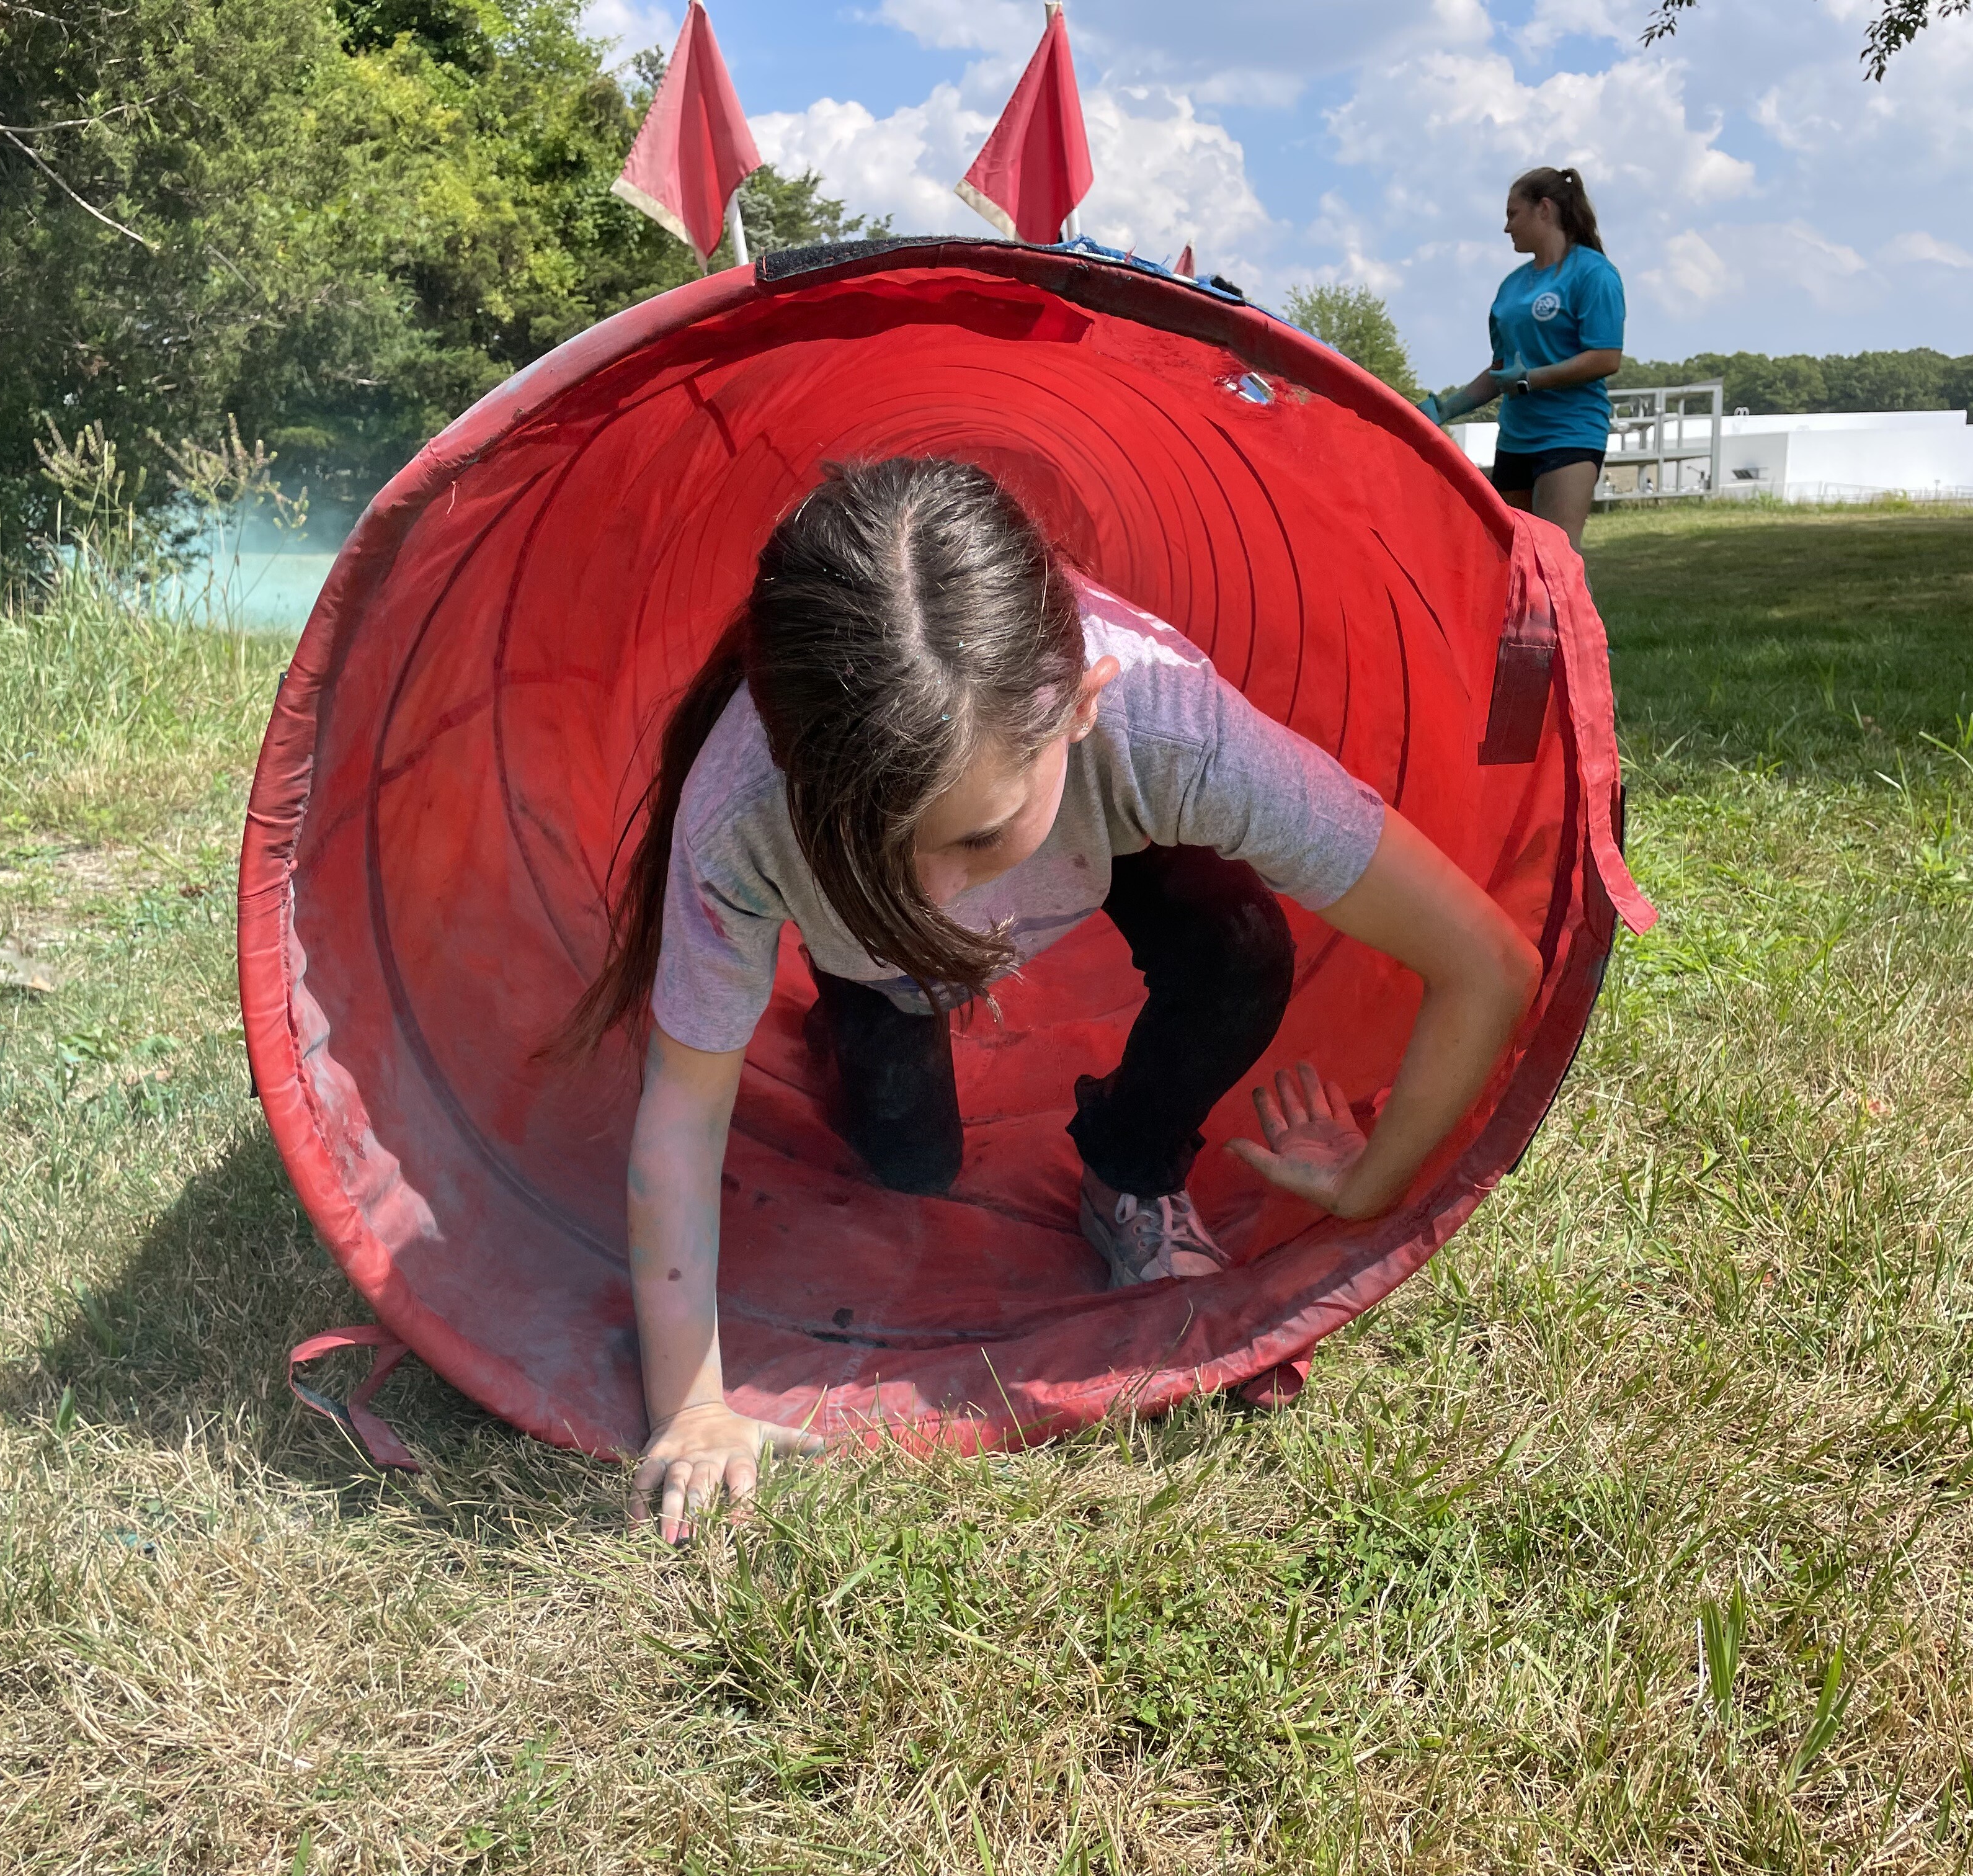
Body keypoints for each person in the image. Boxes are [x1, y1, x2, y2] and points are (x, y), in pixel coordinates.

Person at [562, 457, 1541, 1540]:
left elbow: (1485, 964)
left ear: (1079, 709)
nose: (937, 898)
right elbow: (684, 1109)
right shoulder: (740, 806)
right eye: (875, 850)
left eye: (978, 833)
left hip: (1111, 838)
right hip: (873, 965)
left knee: (1236, 943)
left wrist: (1366, 1190)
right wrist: (694, 1403)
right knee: (910, 1160)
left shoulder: (1165, 721)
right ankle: (855, 1016)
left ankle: (1129, 1164)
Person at [1427, 167, 1626, 551]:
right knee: (1515, 558)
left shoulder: (1595, 274)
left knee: (1556, 557)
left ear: (1545, 210)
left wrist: (1532, 380)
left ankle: (1578, 617)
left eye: (1512, 214)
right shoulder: (1512, 286)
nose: (1506, 228)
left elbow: (1605, 358)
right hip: (1516, 439)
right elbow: (1502, 368)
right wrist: (1445, 410)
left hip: (1571, 433)